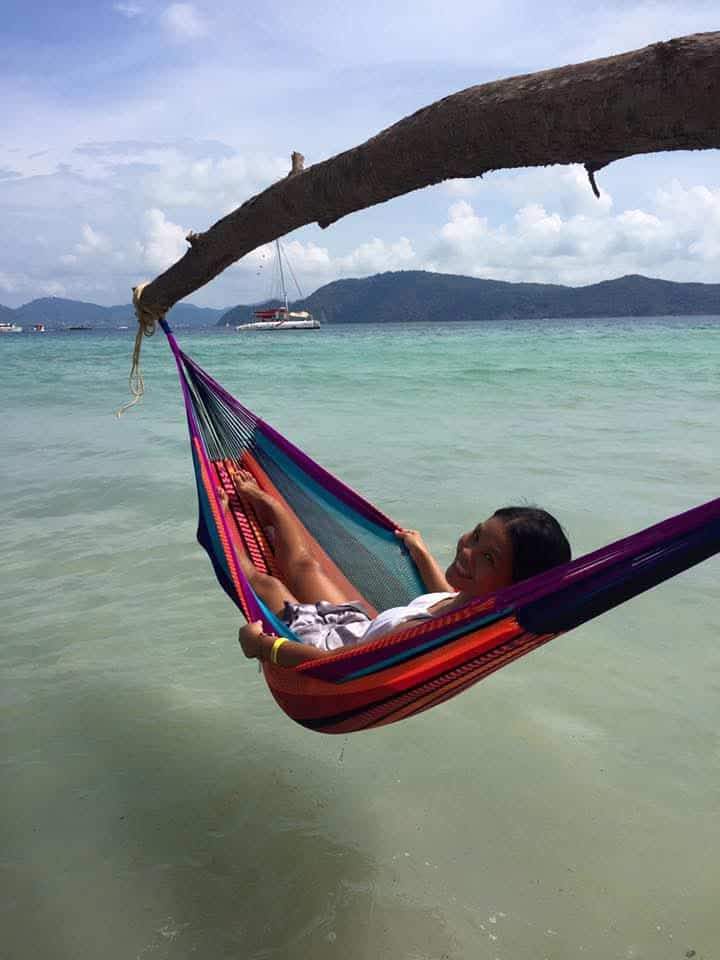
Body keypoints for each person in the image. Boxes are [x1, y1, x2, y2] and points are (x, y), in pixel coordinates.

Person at [221, 469, 571, 668]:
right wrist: (421, 555)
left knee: (264, 582)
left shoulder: (424, 637)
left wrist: (266, 648)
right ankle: (266, 500)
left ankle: (222, 516)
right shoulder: (467, 605)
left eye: (489, 558)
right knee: (307, 564)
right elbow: (446, 594)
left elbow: (340, 665)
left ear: (511, 588)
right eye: (477, 535)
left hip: (325, 650)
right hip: (358, 626)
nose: (468, 550)